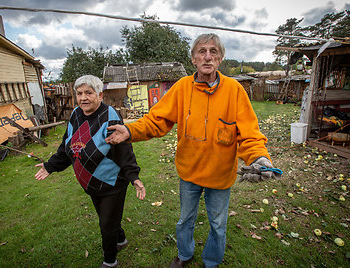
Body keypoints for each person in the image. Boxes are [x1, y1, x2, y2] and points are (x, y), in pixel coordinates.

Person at [105, 33, 279, 268]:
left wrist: (259, 157)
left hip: (220, 175)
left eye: (213, 52)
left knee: (218, 224)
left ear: (220, 58)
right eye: (202, 51)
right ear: (193, 59)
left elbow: (249, 134)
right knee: (185, 220)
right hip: (189, 173)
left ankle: (212, 261)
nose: (208, 56)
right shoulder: (182, 88)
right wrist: (130, 131)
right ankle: (184, 255)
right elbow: (157, 120)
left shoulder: (234, 90)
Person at [34, 74, 146, 268]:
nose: (83, 97)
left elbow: (123, 149)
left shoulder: (109, 116)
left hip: (112, 182)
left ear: (100, 95)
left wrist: (133, 176)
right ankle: (120, 240)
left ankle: (110, 261)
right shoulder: (76, 114)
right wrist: (50, 166)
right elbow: (67, 146)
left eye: (88, 92)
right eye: (79, 93)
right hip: (91, 183)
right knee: (107, 217)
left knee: (106, 223)